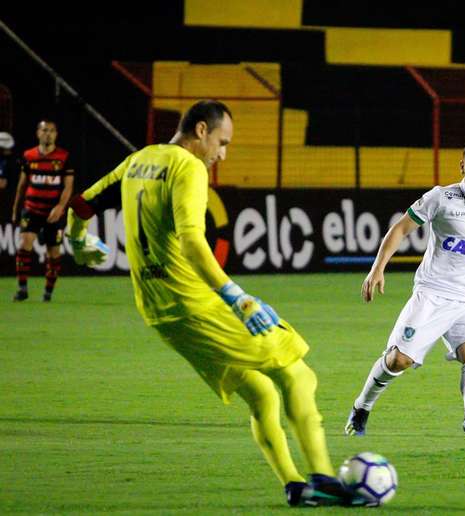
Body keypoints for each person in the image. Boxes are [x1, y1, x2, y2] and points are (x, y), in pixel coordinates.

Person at [65, 100, 361, 507]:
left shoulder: (139, 160)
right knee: (297, 373)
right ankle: (325, 478)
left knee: (261, 394)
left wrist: (78, 241)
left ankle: (295, 485)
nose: (222, 154)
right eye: (222, 142)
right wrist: (237, 297)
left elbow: (81, 204)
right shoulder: (189, 167)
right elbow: (192, 241)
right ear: (201, 131)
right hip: (195, 304)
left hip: (158, 310)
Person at [345, 140, 465, 437]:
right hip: (433, 294)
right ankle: (361, 407)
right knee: (398, 360)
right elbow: (400, 228)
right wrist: (377, 268)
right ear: (462, 166)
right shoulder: (441, 197)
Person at [11, 120, 74, 302]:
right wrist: (16, 208)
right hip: (31, 209)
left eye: (52, 131)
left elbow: (68, 187)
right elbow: (22, 185)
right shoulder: (28, 156)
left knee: (53, 253)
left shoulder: (63, 157)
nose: (49, 134)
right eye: (45, 130)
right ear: (38, 133)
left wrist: (60, 206)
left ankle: (48, 293)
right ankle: (22, 289)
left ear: (56, 134)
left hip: (53, 214)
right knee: (25, 245)